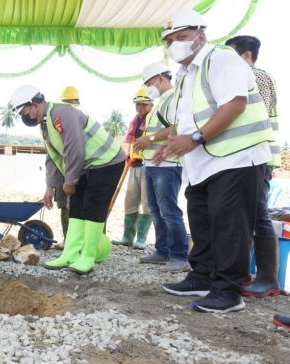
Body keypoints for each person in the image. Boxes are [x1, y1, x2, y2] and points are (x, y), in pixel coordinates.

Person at [157, 9, 274, 314]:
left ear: (201, 35)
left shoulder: (221, 59)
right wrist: (167, 143)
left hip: (236, 158)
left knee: (229, 225)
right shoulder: (185, 76)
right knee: (202, 222)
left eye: (181, 37)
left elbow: (234, 104)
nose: (176, 45)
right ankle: (202, 276)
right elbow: (183, 121)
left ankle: (228, 291)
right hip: (205, 164)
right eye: (170, 41)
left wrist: (194, 138)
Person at [10, 85, 126, 274]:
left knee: (93, 207)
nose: (26, 118)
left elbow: (75, 149)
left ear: (34, 104)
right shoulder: (45, 123)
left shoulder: (62, 114)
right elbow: (53, 157)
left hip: (107, 161)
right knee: (77, 207)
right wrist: (51, 186)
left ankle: (88, 257)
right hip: (87, 165)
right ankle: (70, 254)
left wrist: (70, 181)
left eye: (25, 112)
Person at [226, 35, 281, 298]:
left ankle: (268, 278)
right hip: (249, 156)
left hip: (257, 157)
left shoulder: (255, 76)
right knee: (250, 214)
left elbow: (242, 113)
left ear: (246, 56)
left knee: (258, 214)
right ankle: (254, 276)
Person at [133, 62, 189, 272]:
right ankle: (163, 250)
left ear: (160, 79)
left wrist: (151, 138)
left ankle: (179, 256)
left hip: (168, 163)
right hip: (153, 163)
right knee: (156, 210)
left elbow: (177, 126)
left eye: (149, 82)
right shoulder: (160, 102)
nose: (148, 87)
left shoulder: (174, 98)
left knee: (169, 211)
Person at [112, 89, 153, 250]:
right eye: (138, 104)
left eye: (143, 104)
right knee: (130, 200)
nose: (140, 107)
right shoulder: (135, 121)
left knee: (147, 202)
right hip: (133, 164)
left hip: (148, 165)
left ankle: (141, 238)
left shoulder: (152, 120)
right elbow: (129, 141)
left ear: (150, 104)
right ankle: (128, 236)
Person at [54, 85, 80, 239]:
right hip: (61, 170)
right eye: (66, 103)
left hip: (77, 171)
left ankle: (78, 242)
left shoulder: (82, 120)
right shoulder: (57, 122)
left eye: (72, 102)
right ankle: (67, 239)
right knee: (64, 206)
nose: (70, 106)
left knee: (79, 207)